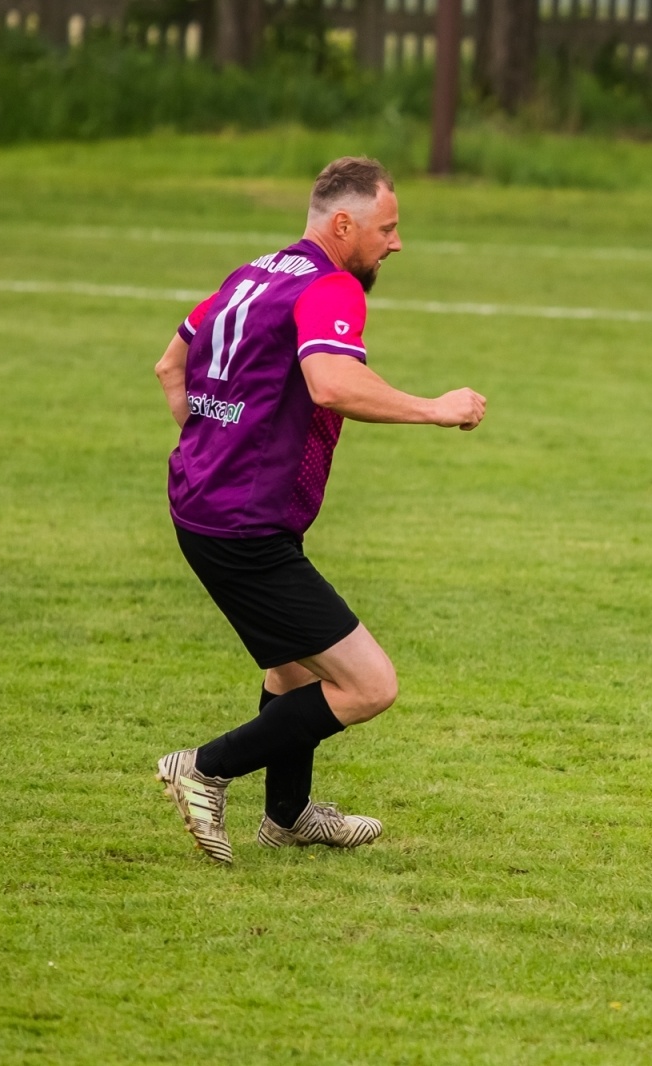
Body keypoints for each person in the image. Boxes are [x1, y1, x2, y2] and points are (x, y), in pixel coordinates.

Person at [152, 156, 487, 864]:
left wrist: (208, 442)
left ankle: (289, 814)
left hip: (208, 507)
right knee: (369, 684)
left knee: (292, 666)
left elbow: (168, 365)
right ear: (344, 224)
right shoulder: (332, 287)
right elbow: (332, 384)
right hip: (244, 528)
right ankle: (204, 770)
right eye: (387, 229)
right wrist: (435, 409)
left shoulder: (254, 272)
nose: (395, 244)